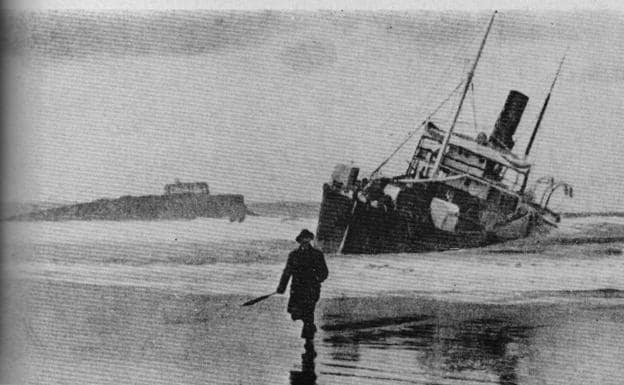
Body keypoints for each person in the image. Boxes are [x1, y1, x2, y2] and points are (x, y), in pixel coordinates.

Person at [277, 229, 329, 346]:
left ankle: (308, 340)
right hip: (297, 289)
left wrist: (316, 280)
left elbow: (324, 272)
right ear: (300, 241)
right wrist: (281, 287)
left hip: (311, 289)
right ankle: (310, 327)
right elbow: (287, 272)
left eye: (307, 239)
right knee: (294, 312)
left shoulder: (317, 254)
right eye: (303, 240)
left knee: (308, 311)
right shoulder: (293, 255)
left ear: (310, 240)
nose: (305, 242)